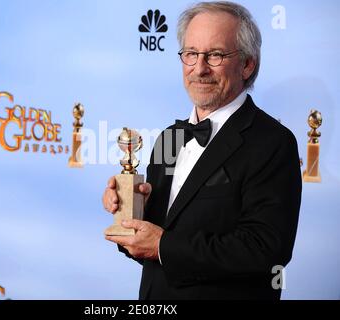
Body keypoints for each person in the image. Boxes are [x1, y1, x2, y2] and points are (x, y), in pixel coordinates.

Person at [102, 1, 301, 300]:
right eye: (191, 54)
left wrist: (161, 246)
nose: (200, 68)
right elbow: (151, 243)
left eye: (216, 55)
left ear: (248, 64)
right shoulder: (170, 137)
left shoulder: (273, 142)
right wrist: (131, 211)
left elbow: (265, 250)